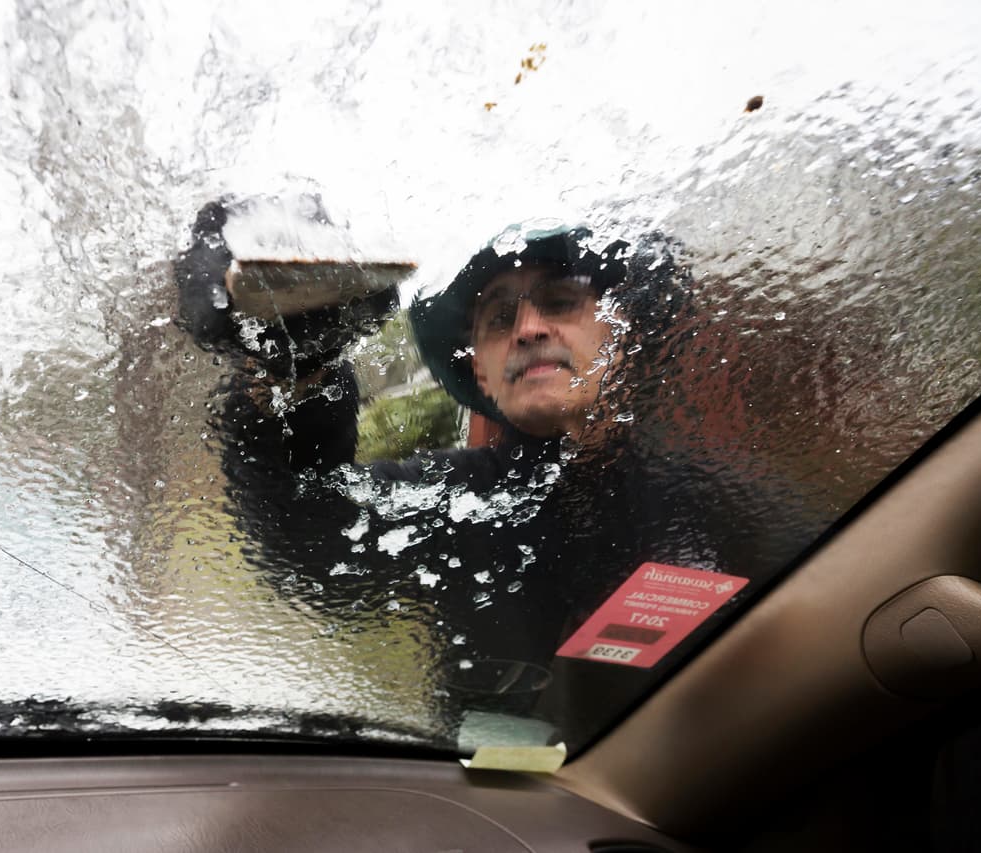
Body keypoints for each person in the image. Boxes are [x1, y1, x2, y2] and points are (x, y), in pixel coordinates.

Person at [176, 199, 815, 735]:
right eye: (500, 318)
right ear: (479, 368)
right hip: (491, 803)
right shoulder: (451, 497)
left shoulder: (726, 504)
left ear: (623, 337)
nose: (529, 329)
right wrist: (288, 372)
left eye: (560, 302)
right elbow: (314, 547)